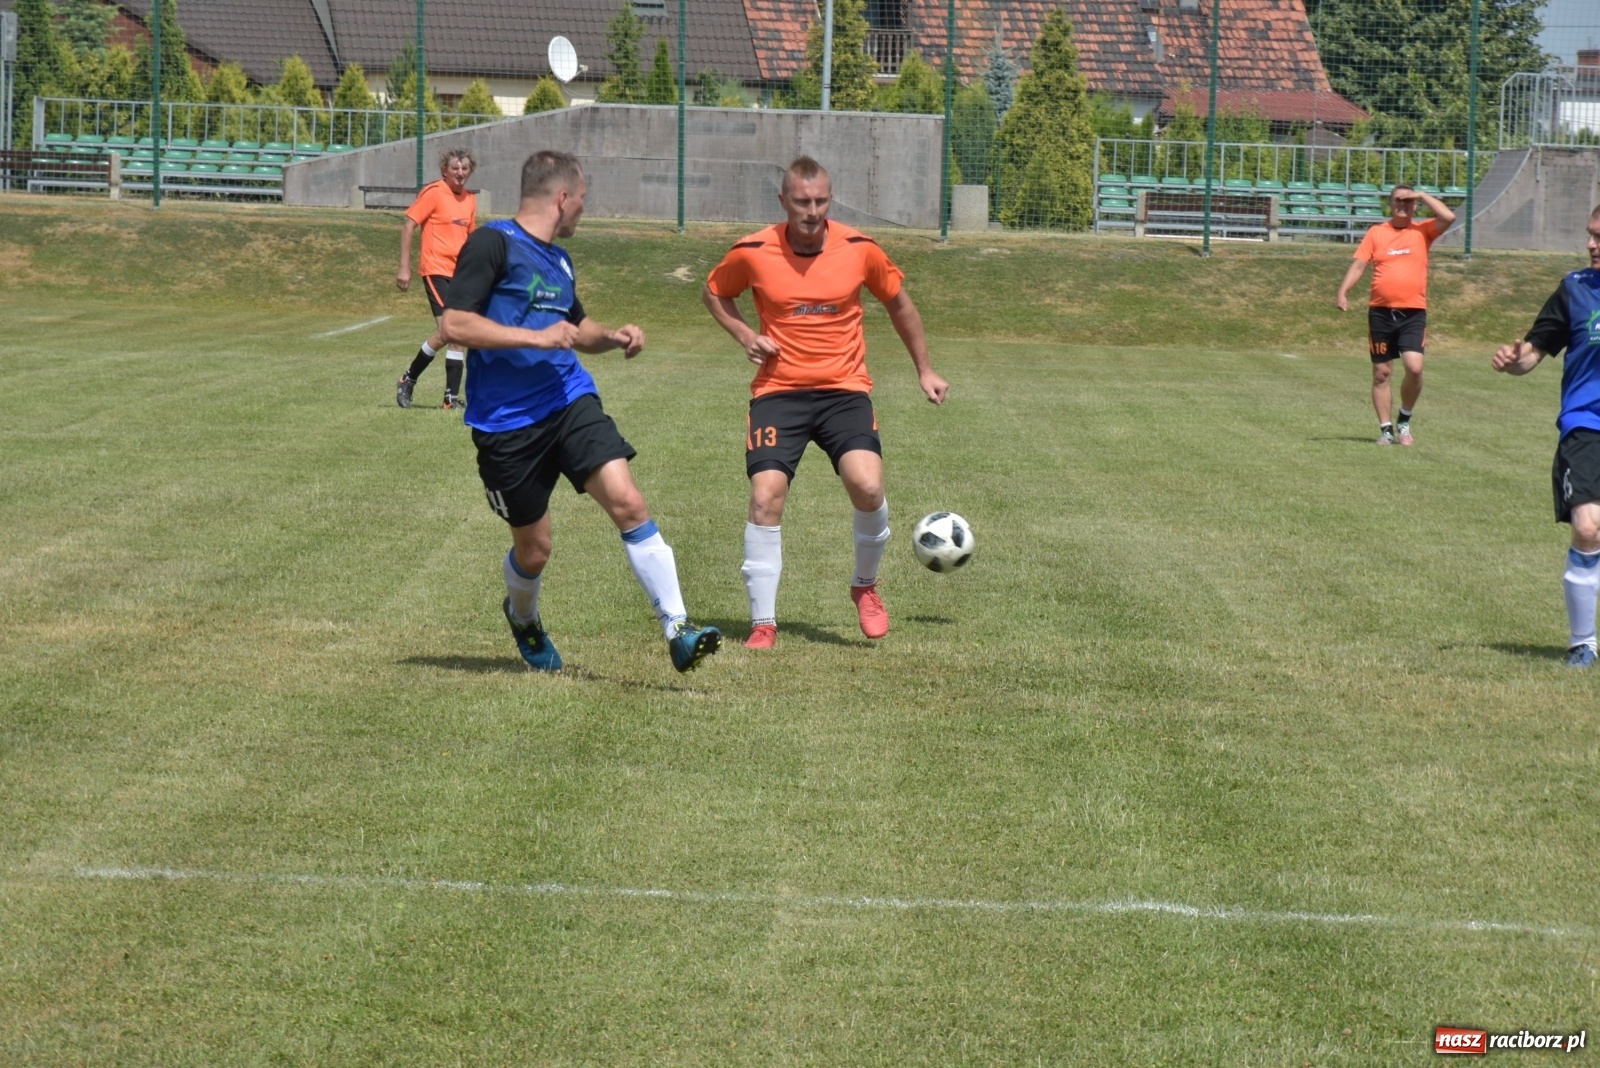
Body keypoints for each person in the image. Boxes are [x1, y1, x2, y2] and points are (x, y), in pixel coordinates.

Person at [439, 150, 721, 673]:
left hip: (568, 399)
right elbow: (454, 325)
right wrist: (536, 337)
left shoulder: (560, 261)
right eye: (583, 200)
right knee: (536, 550)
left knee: (629, 501)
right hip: (505, 424)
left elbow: (577, 328)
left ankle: (678, 627)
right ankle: (523, 618)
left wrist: (611, 337)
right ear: (562, 197)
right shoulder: (492, 243)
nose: (582, 212)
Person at [702, 156, 949, 650]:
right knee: (765, 496)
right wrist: (744, 333)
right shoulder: (752, 251)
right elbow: (714, 292)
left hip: (844, 391)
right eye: (801, 201)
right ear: (783, 202)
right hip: (778, 393)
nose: (811, 211)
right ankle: (764, 623)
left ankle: (865, 586)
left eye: (820, 201)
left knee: (867, 484)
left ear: (829, 200)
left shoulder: (860, 249)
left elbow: (899, 304)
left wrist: (924, 368)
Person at [1490, 204, 1600, 668]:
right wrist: (1515, 361)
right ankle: (1582, 643)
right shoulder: (1574, 289)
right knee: (1588, 526)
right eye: (1590, 235)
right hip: (1586, 425)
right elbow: (1533, 353)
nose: (1591, 244)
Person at [1335, 183, 1456, 445]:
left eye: (1408, 201)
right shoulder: (1377, 233)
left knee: (1414, 367)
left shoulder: (1423, 231)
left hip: (1413, 312)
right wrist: (1343, 291)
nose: (1403, 205)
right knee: (1381, 373)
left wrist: (1422, 194)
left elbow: (1449, 217)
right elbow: (1359, 265)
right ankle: (1386, 429)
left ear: (1415, 205)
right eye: (1398, 201)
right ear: (1390, 204)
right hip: (1380, 312)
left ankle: (1404, 419)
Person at [396, 148, 477, 411]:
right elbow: (409, 224)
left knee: (451, 334)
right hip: (436, 269)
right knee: (453, 331)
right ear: (444, 170)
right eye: (455, 168)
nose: (460, 173)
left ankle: (417, 382)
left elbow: (471, 241)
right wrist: (404, 267)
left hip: (460, 275)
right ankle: (444, 396)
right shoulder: (433, 192)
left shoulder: (470, 200)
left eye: (465, 168)